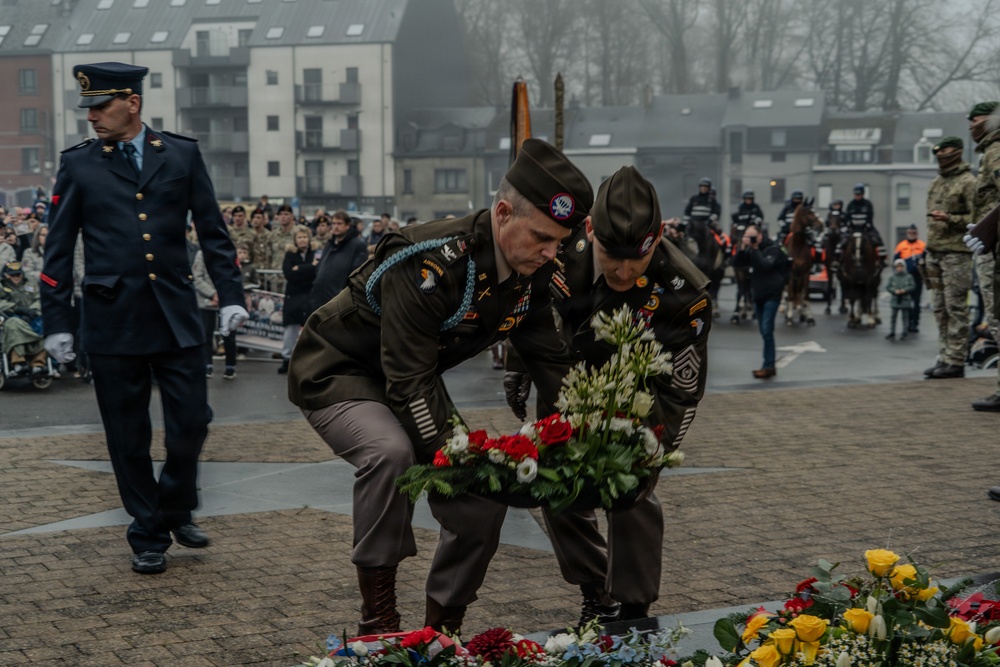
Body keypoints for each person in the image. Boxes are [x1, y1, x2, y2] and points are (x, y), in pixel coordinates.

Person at [287, 138, 593, 636]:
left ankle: (441, 634)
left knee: (481, 495)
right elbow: (409, 383)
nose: (551, 252)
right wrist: (463, 458)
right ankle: (379, 623)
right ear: (502, 213)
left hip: (408, 378)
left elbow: (551, 362)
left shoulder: (532, 270)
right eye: (542, 237)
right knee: (391, 454)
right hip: (340, 370)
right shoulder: (430, 260)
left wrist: (580, 435)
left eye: (559, 241)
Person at [40, 62, 248, 575]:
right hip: (112, 320)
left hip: (176, 314)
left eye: (100, 106)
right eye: (88, 108)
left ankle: (175, 507)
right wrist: (57, 321)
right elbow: (57, 250)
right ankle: (148, 532)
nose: (91, 116)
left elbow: (214, 233)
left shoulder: (180, 154)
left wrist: (231, 296)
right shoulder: (79, 164)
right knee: (127, 435)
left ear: (132, 103)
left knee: (192, 422)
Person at [505, 166, 711, 625]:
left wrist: (654, 451)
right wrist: (519, 363)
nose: (623, 271)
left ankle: (634, 606)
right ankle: (596, 590)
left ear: (658, 237)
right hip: (567, 377)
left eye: (637, 260)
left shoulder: (684, 293)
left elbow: (681, 390)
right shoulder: (559, 250)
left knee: (630, 492)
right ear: (590, 230)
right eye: (612, 257)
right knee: (556, 483)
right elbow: (531, 302)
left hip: (638, 394)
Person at [924, 136, 976, 380]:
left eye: (945, 150)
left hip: (956, 254)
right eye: (938, 151)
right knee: (939, 307)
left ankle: (956, 360)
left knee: (955, 307)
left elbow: (977, 218)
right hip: (935, 252)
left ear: (957, 151)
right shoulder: (936, 182)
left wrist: (950, 218)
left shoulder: (968, 182)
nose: (940, 154)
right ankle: (944, 357)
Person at [967, 101, 1000, 412]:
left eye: (976, 120)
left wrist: (987, 231)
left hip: (994, 248)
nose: (971, 126)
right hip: (990, 245)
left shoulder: (995, 150)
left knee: (998, 318)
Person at [733, 224, 787, 378]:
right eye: (746, 236)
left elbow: (765, 265)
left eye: (752, 236)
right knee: (764, 332)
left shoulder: (773, 249)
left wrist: (755, 248)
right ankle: (769, 365)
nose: (749, 239)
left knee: (767, 330)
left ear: (760, 236)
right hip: (758, 296)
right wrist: (742, 249)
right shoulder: (750, 250)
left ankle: (768, 366)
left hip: (772, 296)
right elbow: (736, 263)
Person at [192, 243, 237, 380]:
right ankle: (207, 364)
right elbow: (197, 278)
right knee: (206, 333)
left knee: (228, 333)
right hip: (207, 301)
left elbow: (234, 275)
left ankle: (230, 365)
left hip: (226, 299)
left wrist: (223, 294)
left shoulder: (229, 253)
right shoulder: (201, 255)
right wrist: (212, 294)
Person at [309, 210, 367, 313]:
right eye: (334, 223)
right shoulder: (330, 245)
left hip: (339, 301)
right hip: (320, 300)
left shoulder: (357, 245)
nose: (336, 226)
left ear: (347, 225)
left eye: (339, 224)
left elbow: (357, 274)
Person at [279, 227, 317, 374]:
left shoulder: (315, 253)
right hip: (293, 296)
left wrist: (299, 269)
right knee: (290, 329)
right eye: (299, 237)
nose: (302, 240)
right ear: (295, 240)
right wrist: (309, 267)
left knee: (310, 329)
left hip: (310, 295)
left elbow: (318, 271)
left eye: (304, 237)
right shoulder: (290, 254)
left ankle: (309, 360)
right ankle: (286, 359)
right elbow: (289, 274)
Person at [0, 261, 48, 377]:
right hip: (11, 316)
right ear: (6, 275)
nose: (16, 277)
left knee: (45, 326)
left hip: (32, 315)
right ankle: (19, 362)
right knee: (13, 325)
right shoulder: (1, 285)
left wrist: (32, 311)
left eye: (18, 274)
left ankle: (38, 364)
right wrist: (16, 308)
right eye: (12, 275)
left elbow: (39, 299)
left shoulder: (30, 282)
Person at [893, 224, 926, 333]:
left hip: (917, 277)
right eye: (910, 233)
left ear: (917, 233)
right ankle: (906, 323)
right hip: (905, 277)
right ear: (907, 233)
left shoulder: (922, 245)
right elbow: (895, 261)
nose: (912, 234)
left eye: (914, 233)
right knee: (905, 301)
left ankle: (914, 323)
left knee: (916, 302)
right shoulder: (901, 245)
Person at [844, 183, 884, 248]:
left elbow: (870, 216)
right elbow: (847, 216)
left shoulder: (867, 204)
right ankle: (838, 252)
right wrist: (849, 224)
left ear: (863, 194)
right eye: (856, 194)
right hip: (853, 228)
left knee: (876, 238)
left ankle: (882, 251)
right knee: (843, 239)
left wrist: (868, 224)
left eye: (859, 194)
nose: (857, 196)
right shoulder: (850, 204)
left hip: (866, 228)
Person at [885, 259, 916, 341]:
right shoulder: (892, 277)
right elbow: (888, 287)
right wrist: (894, 290)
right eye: (898, 267)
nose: (899, 268)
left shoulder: (908, 277)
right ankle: (892, 331)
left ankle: (905, 332)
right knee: (893, 317)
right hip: (895, 299)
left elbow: (912, 286)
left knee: (905, 317)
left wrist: (904, 290)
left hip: (905, 299)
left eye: (901, 267)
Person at [268, 204, 298, 271]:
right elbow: (268, 256)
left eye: (286, 214)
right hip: (275, 273)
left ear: (292, 217)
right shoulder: (273, 235)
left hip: (291, 272)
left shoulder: (298, 234)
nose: (283, 217)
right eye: (280, 214)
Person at [247, 209, 272, 277]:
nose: (255, 220)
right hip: (250, 270)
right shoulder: (247, 234)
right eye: (254, 217)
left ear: (263, 220)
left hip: (264, 270)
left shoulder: (269, 235)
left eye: (258, 218)